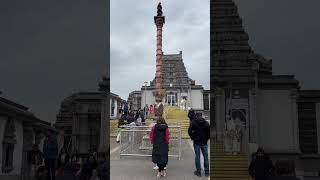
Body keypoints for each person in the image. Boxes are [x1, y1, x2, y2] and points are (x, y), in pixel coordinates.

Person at [188, 112, 210, 177]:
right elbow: (209, 133)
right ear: (202, 116)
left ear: (196, 116)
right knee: (206, 157)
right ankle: (207, 172)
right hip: (204, 142)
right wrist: (207, 138)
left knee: (197, 156)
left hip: (197, 141)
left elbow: (189, 131)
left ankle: (198, 172)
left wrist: (192, 137)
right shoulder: (206, 123)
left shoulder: (193, 122)